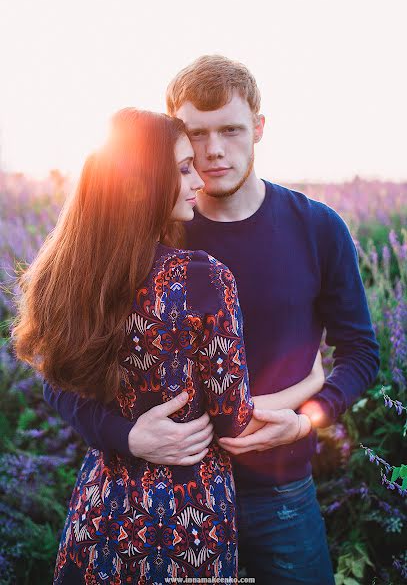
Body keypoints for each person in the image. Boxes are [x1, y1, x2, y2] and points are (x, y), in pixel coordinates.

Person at [43, 56, 380, 584]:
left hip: (280, 495)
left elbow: (361, 352)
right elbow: (60, 376)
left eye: (231, 129)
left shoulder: (317, 227)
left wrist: (309, 415)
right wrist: (127, 435)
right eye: (197, 133)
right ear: (176, 134)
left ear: (260, 129)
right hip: (165, 500)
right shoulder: (150, 237)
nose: (214, 150)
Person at [14, 107, 324, 583]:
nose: (197, 179)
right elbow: (232, 421)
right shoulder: (203, 277)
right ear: (147, 180)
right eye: (182, 169)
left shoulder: (68, 273)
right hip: (186, 524)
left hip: (102, 512)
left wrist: (121, 434)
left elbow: (55, 381)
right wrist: (309, 383)